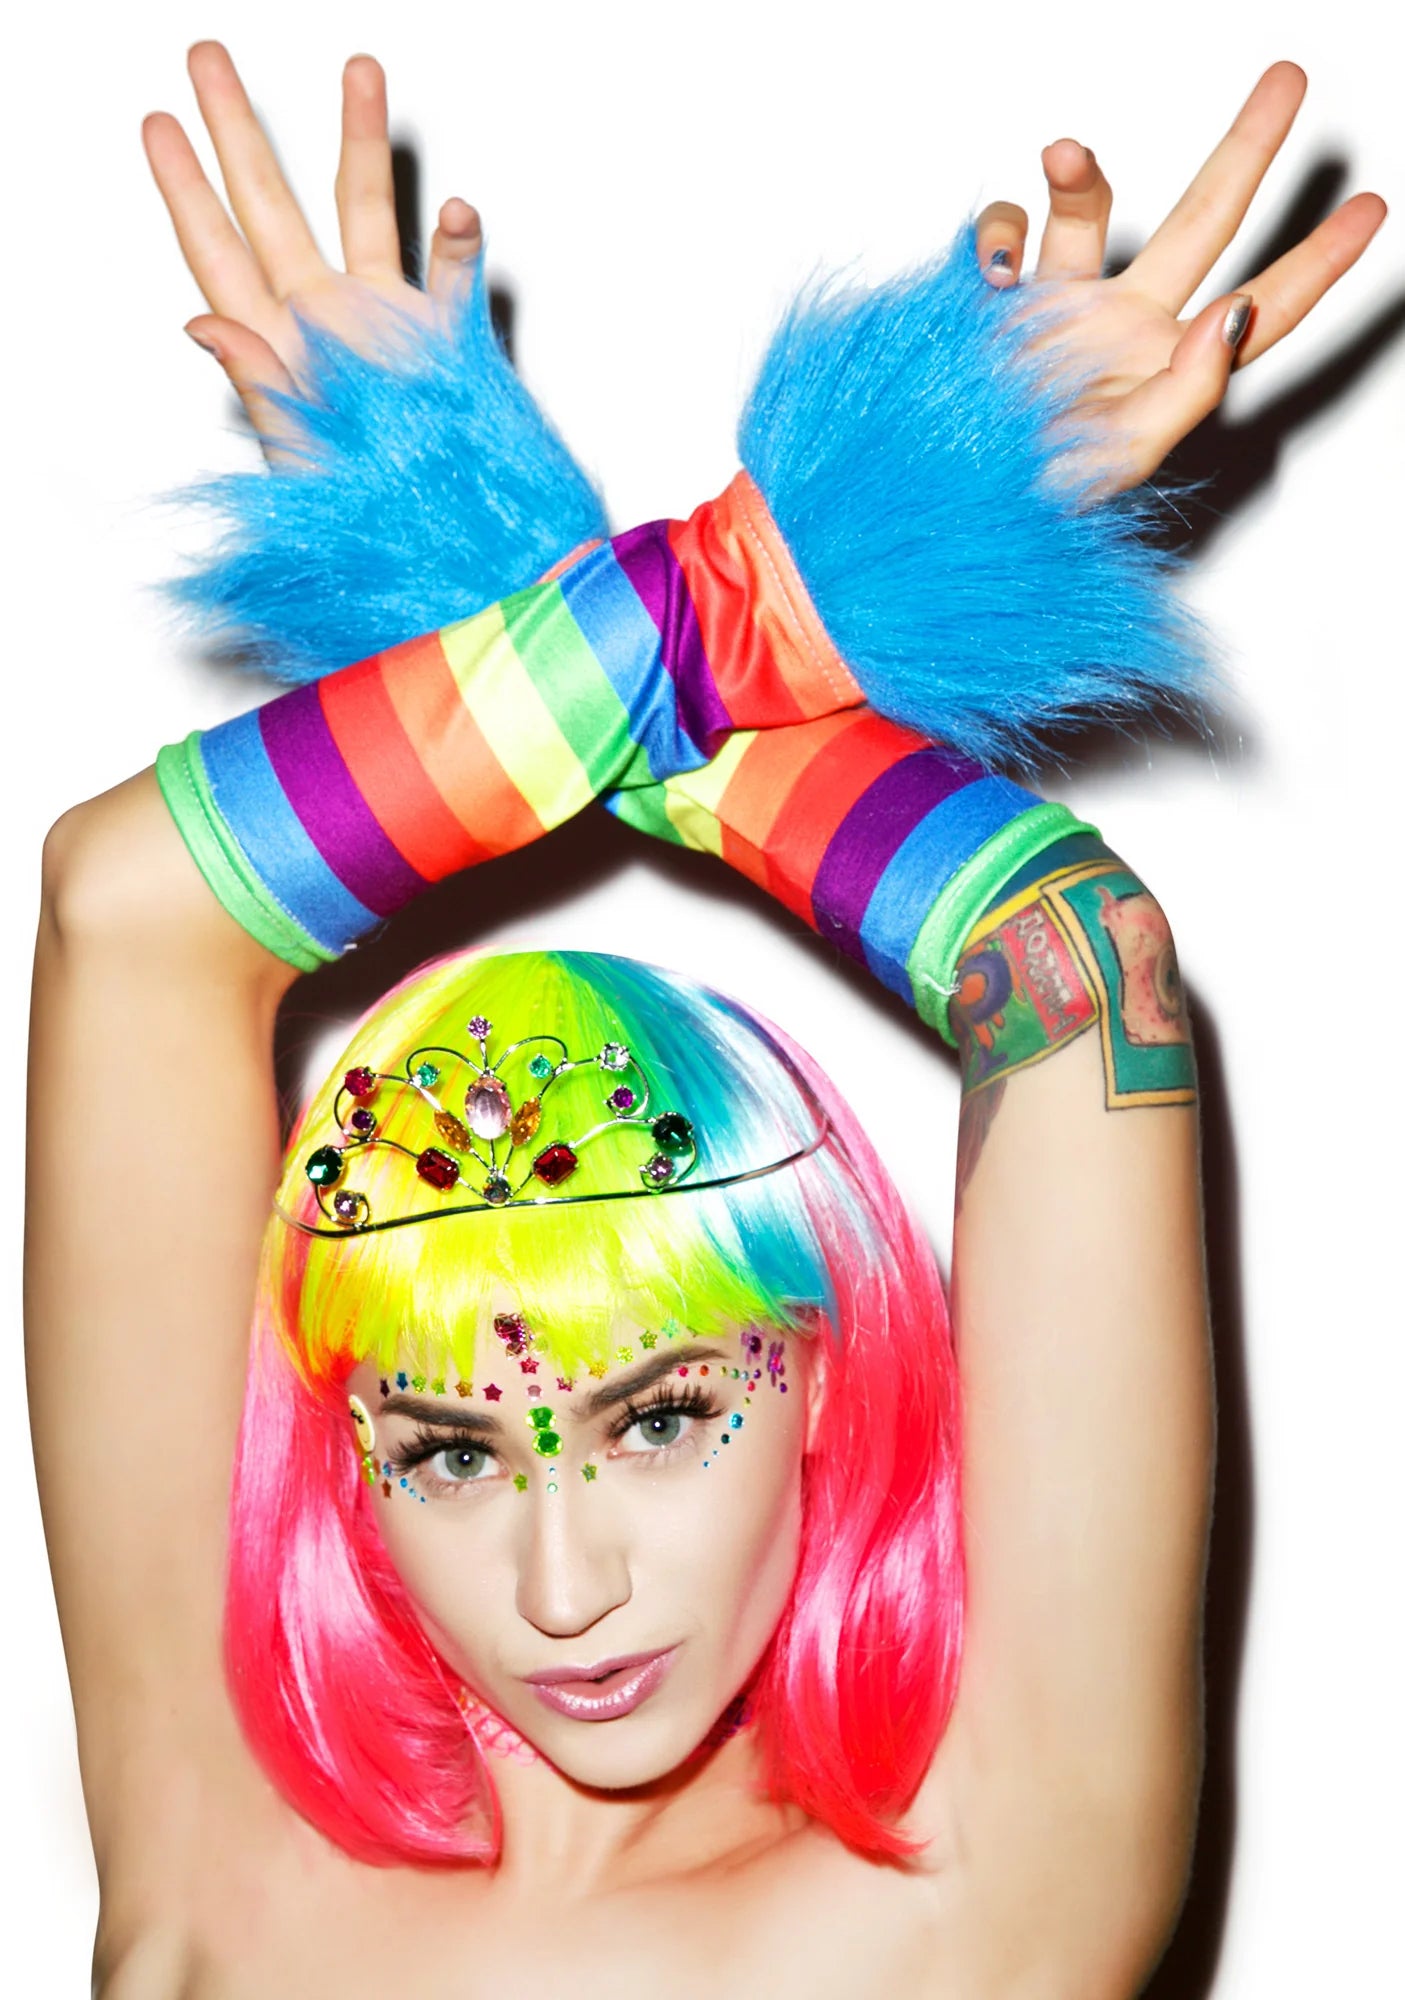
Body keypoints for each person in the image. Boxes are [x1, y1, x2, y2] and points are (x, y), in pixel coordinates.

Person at [26, 43, 1384, 2000]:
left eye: (661, 1417)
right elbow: (120, 906)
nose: (562, 1587)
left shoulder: (959, 1914)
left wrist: (560, 614)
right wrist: (740, 604)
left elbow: (1079, 975)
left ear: (822, 1378)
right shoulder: (224, 1846)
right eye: (444, 1452)